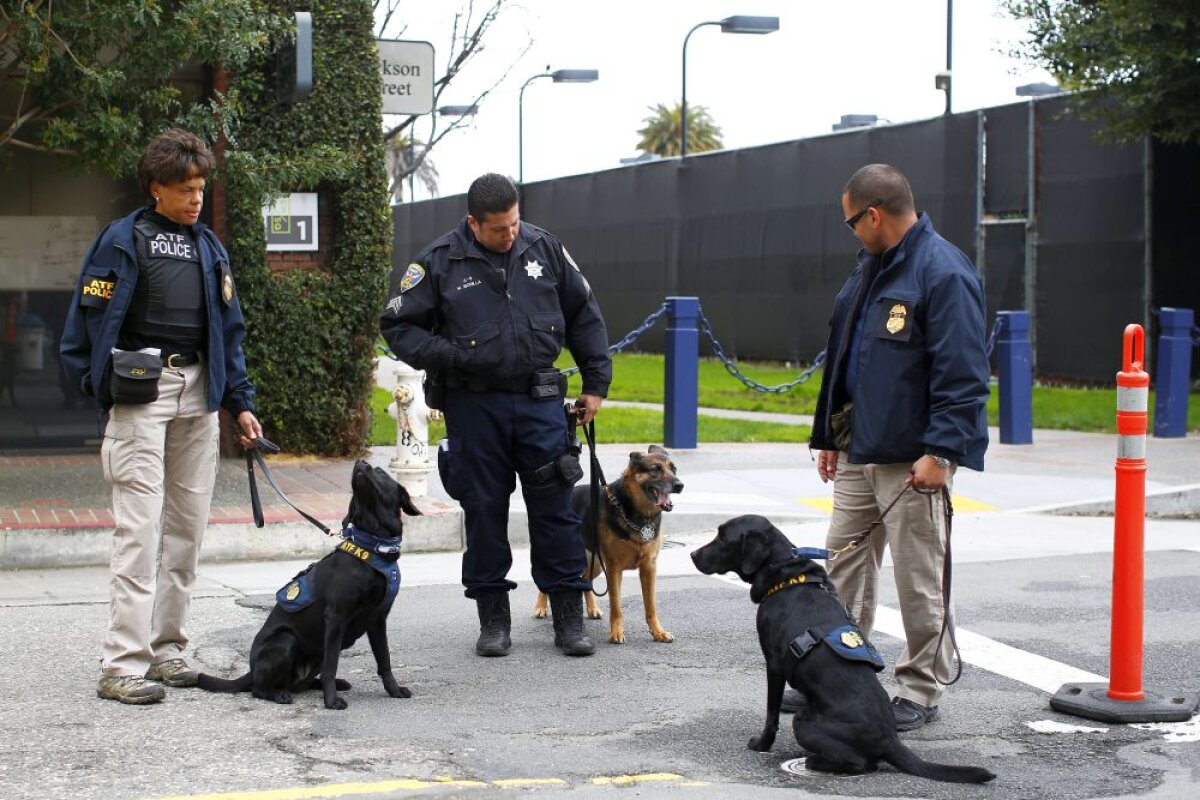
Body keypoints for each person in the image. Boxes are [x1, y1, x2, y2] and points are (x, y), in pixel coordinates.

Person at [783, 164, 989, 731]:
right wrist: (829, 436)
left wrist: (942, 452)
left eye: (852, 221)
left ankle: (920, 691)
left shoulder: (942, 272)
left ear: (873, 214)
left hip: (910, 457)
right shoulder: (868, 268)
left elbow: (964, 374)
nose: (850, 231)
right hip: (857, 449)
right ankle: (840, 671)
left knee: (918, 578)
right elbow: (846, 360)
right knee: (844, 568)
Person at [60, 128, 262, 704]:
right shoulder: (121, 241)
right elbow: (88, 319)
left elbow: (229, 331)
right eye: (184, 188)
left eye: (200, 187)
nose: (196, 198)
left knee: (185, 530)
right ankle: (122, 664)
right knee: (138, 529)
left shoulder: (209, 247)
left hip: (199, 392)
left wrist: (240, 403)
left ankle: (168, 651)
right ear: (156, 188)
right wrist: (99, 384)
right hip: (140, 393)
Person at [380, 172, 611, 658]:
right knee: (484, 510)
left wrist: (595, 383)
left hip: (539, 402)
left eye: (514, 224)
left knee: (554, 507)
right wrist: (450, 355)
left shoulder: (543, 248)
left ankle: (569, 617)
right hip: (474, 406)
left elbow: (583, 311)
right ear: (473, 223)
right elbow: (397, 324)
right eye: (498, 229)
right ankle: (493, 619)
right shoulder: (441, 260)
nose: (509, 236)